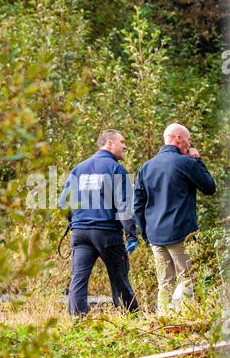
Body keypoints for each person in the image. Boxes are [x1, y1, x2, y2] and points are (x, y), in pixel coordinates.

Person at [134, 123, 216, 316]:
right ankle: (183, 320)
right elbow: (209, 187)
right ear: (178, 138)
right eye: (188, 139)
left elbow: (137, 205)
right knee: (187, 279)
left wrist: (146, 234)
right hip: (181, 234)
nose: (189, 144)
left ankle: (164, 321)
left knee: (165, 282)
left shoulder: (145, 167)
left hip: (155, 236)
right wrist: (198, 160)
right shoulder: (186, 163)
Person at [59, 129, 139, 316]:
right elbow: (124, 205)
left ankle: (77, 320)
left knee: (78, 279)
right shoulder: (116, 169)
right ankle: (131, 316)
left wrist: (75, 221)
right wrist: (131, 234)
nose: (125, 146)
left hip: (81, 233)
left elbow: (63, 202)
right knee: (119, 277)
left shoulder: (79, 168)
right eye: (122, 141)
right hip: (107, 232)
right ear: (110, 143)